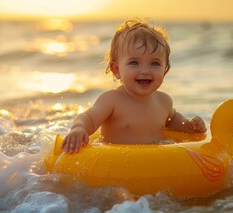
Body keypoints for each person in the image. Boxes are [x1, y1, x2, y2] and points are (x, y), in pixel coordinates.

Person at [62, 18, 206, 153]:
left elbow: (172, 120)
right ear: (116, 70)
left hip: (151, 163)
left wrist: (189, 126)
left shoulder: (164, 101)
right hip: (116, 163)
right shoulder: (112, 100)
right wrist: (79, 128)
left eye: (155, 63)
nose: (145, 71)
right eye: (134, 63)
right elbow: (89, 117)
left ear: (165, 70)